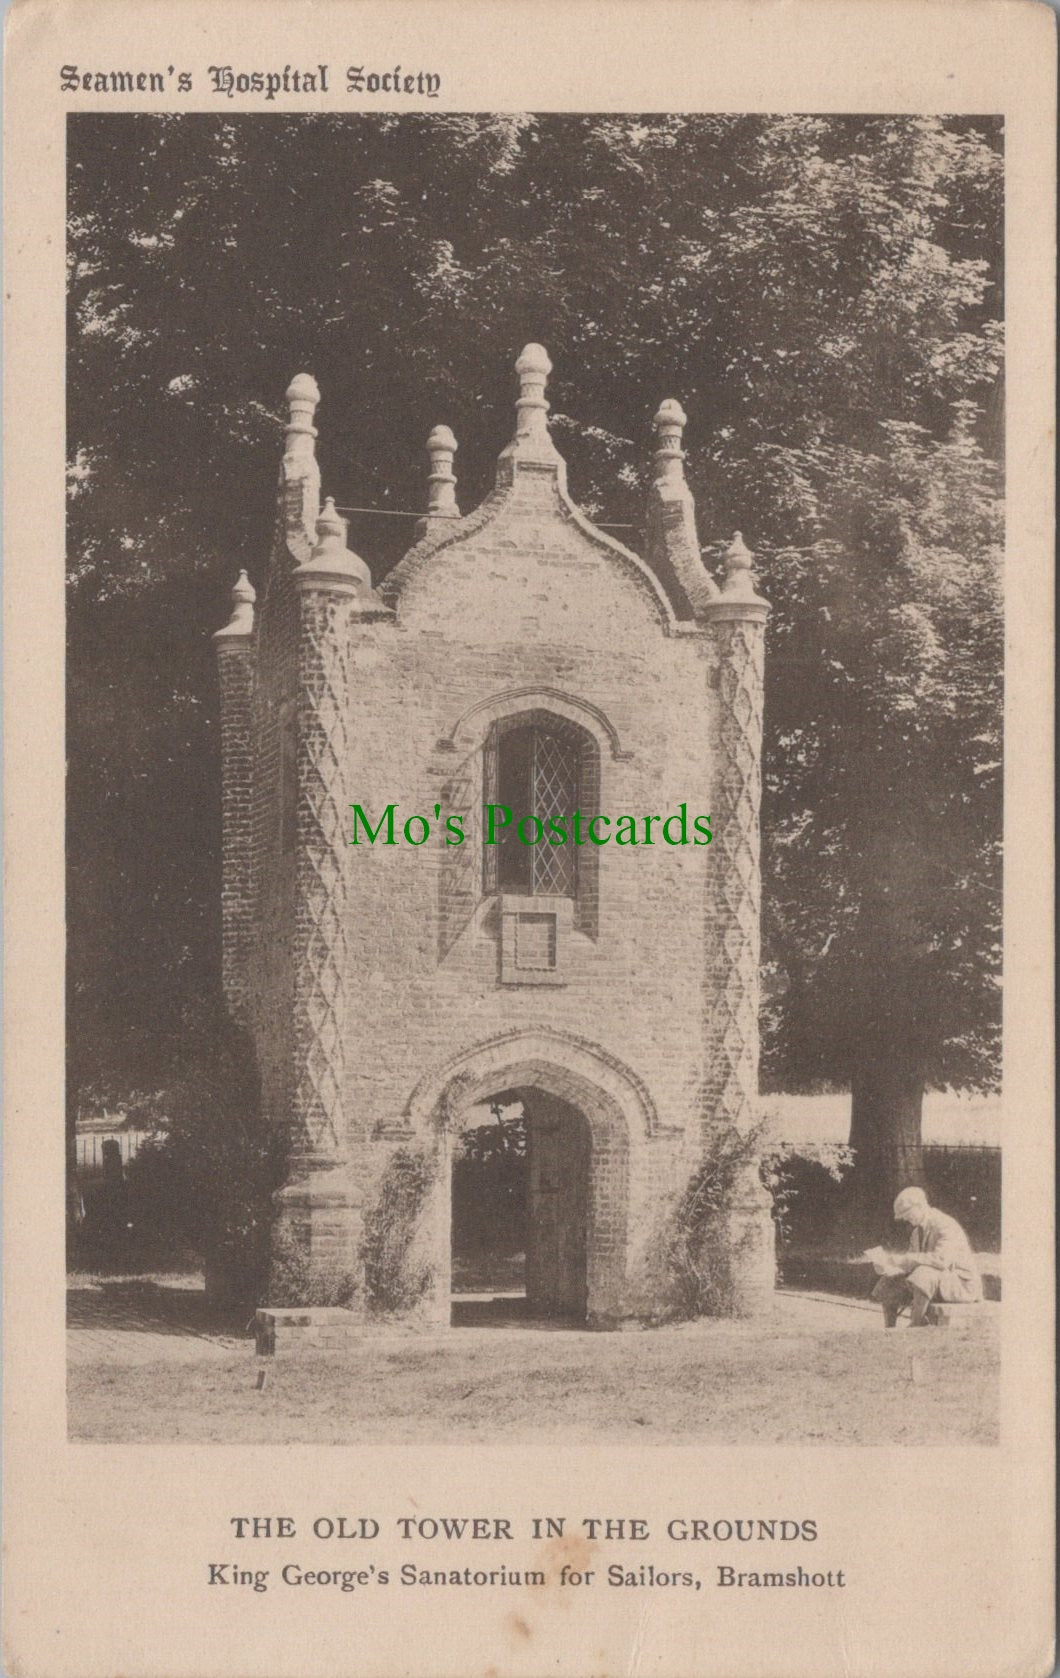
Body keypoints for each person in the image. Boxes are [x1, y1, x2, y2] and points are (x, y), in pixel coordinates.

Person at [871, 1186, 982, 1327]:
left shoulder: (945, 1225)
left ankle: (916, 1325)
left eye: (907, 1213)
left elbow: (941, 1260)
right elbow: (912, 1264)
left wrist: (905, 1259)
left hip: (960, 1284)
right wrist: (889, 1268)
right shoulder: (916, 1232)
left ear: (920, 1206)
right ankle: (889, 1329)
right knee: (889, 1280)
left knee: (923, 1274)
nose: (905, 1218)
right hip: (938, 1280)